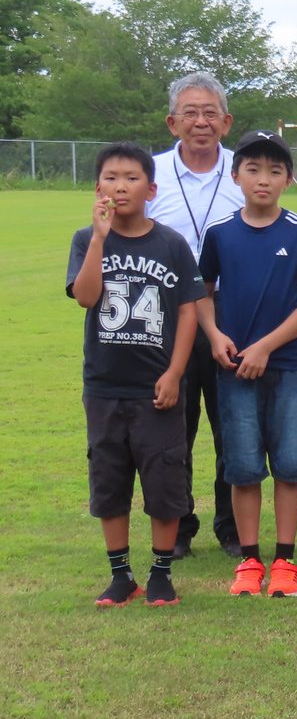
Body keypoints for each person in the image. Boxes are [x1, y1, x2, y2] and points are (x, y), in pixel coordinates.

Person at [71, 142, 206, 607]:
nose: (120, 186)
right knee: (109, 481)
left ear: (151, 188)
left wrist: (175, 372)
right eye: (110, 177)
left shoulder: (170, 243)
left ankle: (162, 572)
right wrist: (99, 238)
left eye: (131, 178)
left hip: (157, 387)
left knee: (164, 479)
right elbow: (87, 297)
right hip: (105, 386)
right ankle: (120, 574)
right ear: (97, 187)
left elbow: (189, 311)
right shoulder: (86, 239)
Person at [197, 131, 297, 597]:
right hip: (234, 371)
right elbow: (202, 296)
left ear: (289, 179)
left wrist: (266, 345)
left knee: (290, 465)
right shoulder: (219, 234)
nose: (264, 179)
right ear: (235, 176)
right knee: (244, 467)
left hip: (288, 366)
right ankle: (249, 561)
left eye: (275, 171)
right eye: (253, 169)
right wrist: (214, 336)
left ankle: (285, 560)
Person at [148, 72, 245, 558]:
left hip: (233, 310)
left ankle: (232, 527)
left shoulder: (244, 172)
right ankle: (179, 524)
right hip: (166, 313)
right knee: (173, 425)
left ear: (226, 122)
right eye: (190, 112)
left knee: (232, 423)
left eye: (210, 112)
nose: (200, 122)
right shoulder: (151, 175)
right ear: (172, 122)